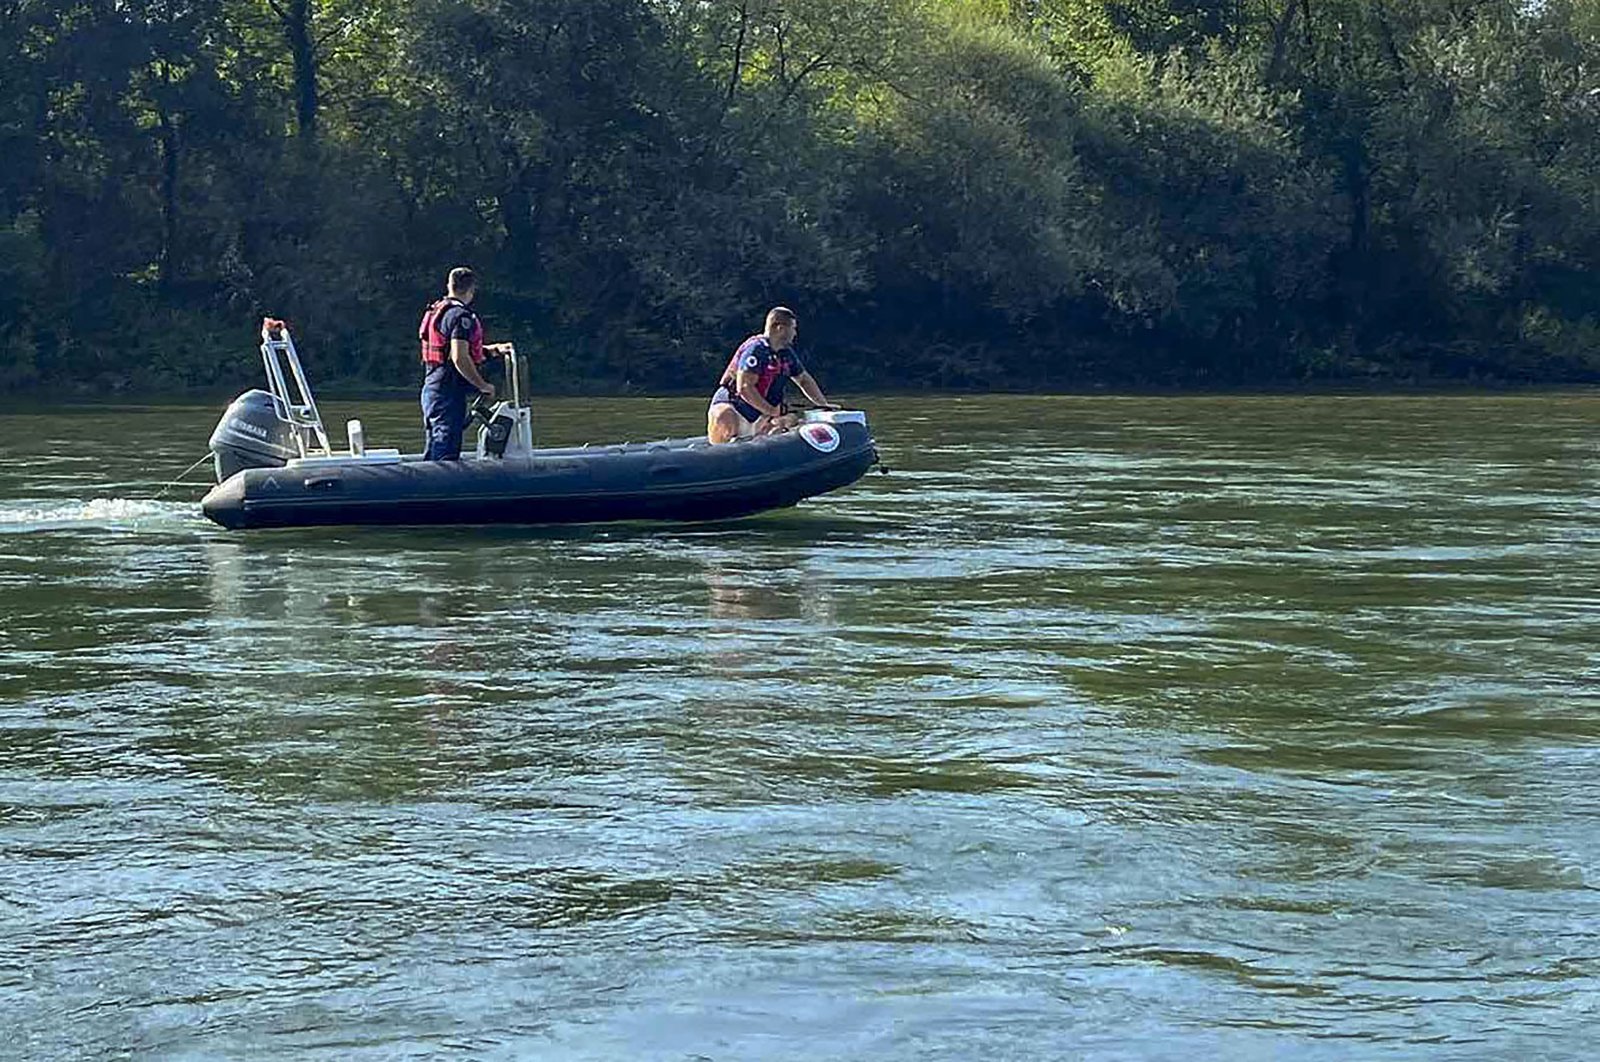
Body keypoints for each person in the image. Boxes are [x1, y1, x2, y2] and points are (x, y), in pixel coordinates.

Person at [418, 267, 513, 461]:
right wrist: (483, 385)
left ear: (449, 286)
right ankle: (442, 486)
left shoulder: (439, 311)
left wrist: (491, 350)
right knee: (445, 445)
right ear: (471, 290)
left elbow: (450, 351)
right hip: (448, 389)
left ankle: (429, 483)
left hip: (432, 386)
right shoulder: (460, 317)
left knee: (435, 441)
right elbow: (459, 357)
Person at [707, 306, 830, 444]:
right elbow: (745, 387)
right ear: (780, 328)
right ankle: (726, 447)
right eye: (793, 328)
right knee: (724, 414)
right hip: (737, 408)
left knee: (791, 420)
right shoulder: (756, 350)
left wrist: (823, 404)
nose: (795, 333)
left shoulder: (786, 354)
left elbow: (803, 379)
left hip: (761, 413)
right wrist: (771, 410)